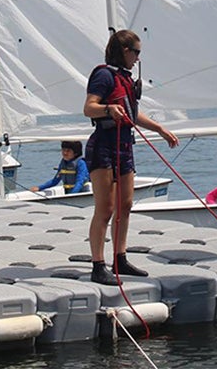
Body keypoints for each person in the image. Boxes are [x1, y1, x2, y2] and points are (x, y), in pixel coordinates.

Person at [83, 29, 179, 285]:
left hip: (125, 147)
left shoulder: (125, 78)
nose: (138, 58)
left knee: (125, 206)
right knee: (105, 209)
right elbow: (88, 107)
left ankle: (120, 257)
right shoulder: (104, 75)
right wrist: (107, 109)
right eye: (136, 52)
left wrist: (160, 129)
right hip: (104, 146)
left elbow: (132, 114)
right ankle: (97, 265)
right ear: (125, 51)